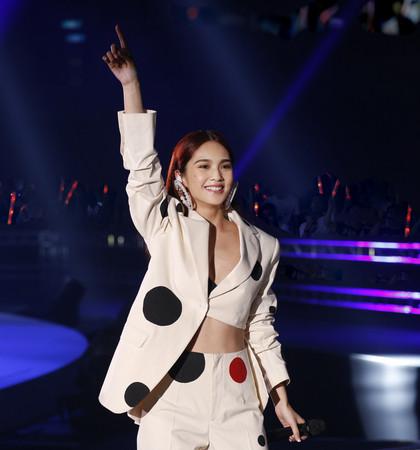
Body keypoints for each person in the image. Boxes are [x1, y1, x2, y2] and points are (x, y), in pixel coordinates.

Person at [100, 24, 307, 448]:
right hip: (171, 392)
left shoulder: (263, 245)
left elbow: (260, 325)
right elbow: (141, 168)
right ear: (181, 176)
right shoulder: (167, 226)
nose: (216, 175)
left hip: (237, 390)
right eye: (204, 166)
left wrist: (280, 397)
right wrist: (131, 85)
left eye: (225, 165)